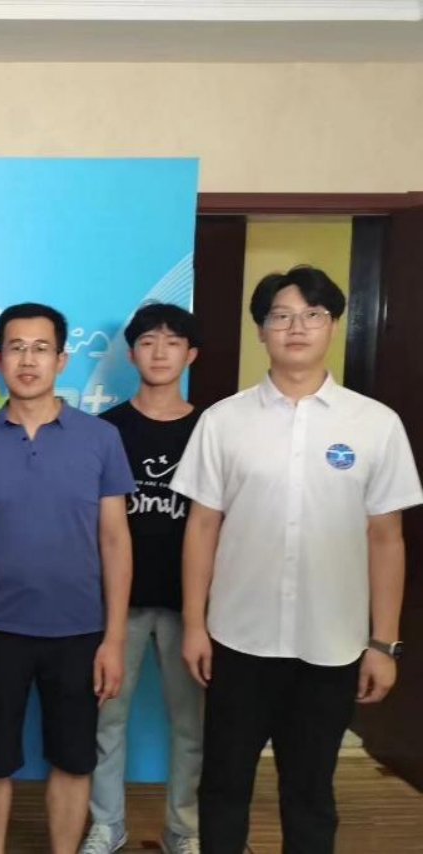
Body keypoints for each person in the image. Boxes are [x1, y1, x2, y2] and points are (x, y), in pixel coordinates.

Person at [172, 266, 423, 854]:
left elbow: (386, 538)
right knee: (224, 784)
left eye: (313, 314)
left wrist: (383, 643)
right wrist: (194, 624)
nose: (296, 327)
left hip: (331, 643)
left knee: (310, 791)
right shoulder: (223, 420)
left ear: (333, 326)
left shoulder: (376, 424)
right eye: (280, 316)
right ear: (261, 330)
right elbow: (202, 527)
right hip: (238, 638)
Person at [0, 303, 134, 854]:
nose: (28, 360)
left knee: (74, 757)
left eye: (41, 349)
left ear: (61, 359)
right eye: (16, 348)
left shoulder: (100, 438)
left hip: (79, 630)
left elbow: (115, 541)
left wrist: (114, 638)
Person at [80, 303, 203, 854]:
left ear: (190, 354)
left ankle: (183, 829)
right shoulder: (105, 430)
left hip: (189, 605)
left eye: (172, 342)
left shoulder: (209, 428)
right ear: (131, 355)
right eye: (149, 342)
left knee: (191, 727)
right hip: (117, 605)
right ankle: (107, 824)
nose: (160, 352)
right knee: (107, 721)